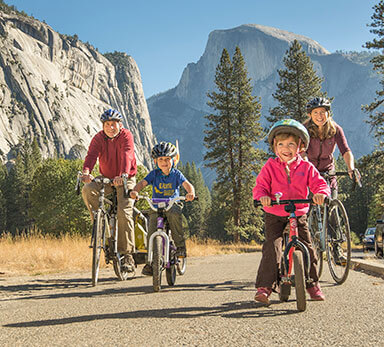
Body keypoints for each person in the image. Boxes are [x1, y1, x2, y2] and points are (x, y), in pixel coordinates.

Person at [253, 119, 330, 305]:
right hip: (275, 212)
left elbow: (320, 183)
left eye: (290, 144)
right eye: (281, 144)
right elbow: (260, 186)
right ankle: (265, 287)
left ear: (300, 147)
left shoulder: (306, 167)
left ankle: (312, 284)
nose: (285, 149)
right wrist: (262, 197)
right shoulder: (270, 166)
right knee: (272, 246)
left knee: (308, 247)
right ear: (274, 147)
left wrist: (320, 194)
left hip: (298, 212)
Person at [81, 108, 137, 272]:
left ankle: (127, 255)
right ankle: (100, 222)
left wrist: (124, 175)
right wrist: (86, 172)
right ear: (103, 125)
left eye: (114, 124)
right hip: (105, 178)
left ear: (120, 125)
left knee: (124, 212)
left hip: (125, 178)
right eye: (107, 124)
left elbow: (128, 154)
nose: (111, 127)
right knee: (87, 189)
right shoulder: (98, 138)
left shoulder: (126, 135)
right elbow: (91, 156)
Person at [130, 141, 195, 276]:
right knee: (151, 231)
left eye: (167, 159)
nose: (164, 162)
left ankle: (180, 247)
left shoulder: (176, 174)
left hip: (172, 204)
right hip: (156, 206)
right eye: (161, 159)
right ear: (155, 161)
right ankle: (151, 262)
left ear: (174, 160)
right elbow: (142, 183)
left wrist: (191, 193)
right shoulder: (154, 174)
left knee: (174, 216)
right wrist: (134, 191)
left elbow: (187, 185)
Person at [303, 97, 360, 198]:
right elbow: (302, 152)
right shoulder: (304, 129)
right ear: (309, 115)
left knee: (332, 202)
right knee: (309, 204)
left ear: (328, 113)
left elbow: (345, 150)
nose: (319, 116)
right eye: (315, 112)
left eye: (322, 112)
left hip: (328, 170)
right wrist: (306, 167)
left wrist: (351, 168)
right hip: (310, 171)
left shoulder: (336, 129)